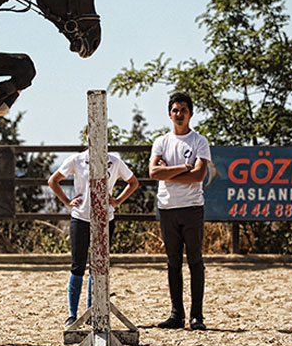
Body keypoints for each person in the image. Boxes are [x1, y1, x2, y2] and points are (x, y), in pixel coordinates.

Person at [48, 150, 138, 327]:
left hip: (105, 219)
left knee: (98, 266)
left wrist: (118, 200)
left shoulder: (115, 161)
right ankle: (72, 314)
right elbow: (53, 180)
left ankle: (92, 311)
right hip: (81, 217)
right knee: (77, 265)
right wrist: (67, 201)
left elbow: (133, 182)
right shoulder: (77, 159)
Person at [150, 91, 211, 331]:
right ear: (169, 114)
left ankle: (197, 316)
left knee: (195, 261)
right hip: (167, 208)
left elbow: (198, 176)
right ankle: (177, 314)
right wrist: (184, 167)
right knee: (172, 262)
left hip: (192, 207)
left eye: (183, 110)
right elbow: (154, 173)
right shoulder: (161, 142)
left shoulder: (199, 141)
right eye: (175, 110)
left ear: (191, 114)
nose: (179, 114)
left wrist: (171, 172)